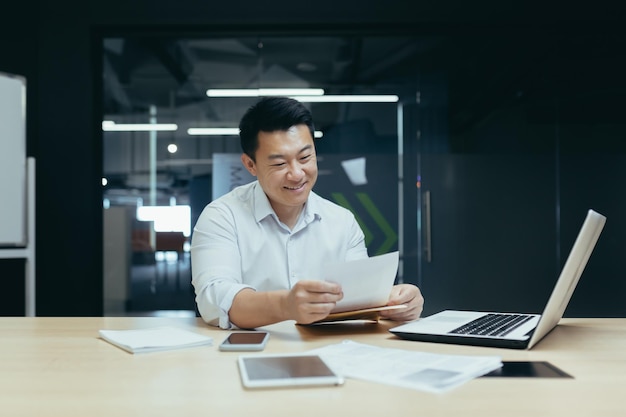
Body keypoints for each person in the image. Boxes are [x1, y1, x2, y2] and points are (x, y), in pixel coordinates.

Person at [191, 96, 424, 329]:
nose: (297, 174)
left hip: (329, 350)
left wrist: (396, 304)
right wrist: (286, 305)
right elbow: (214, 300)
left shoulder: (342, 222)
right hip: (248, 353)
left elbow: (360, 301)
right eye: (279, 164)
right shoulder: (221, 217)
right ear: (250, 165)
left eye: (305, 157)